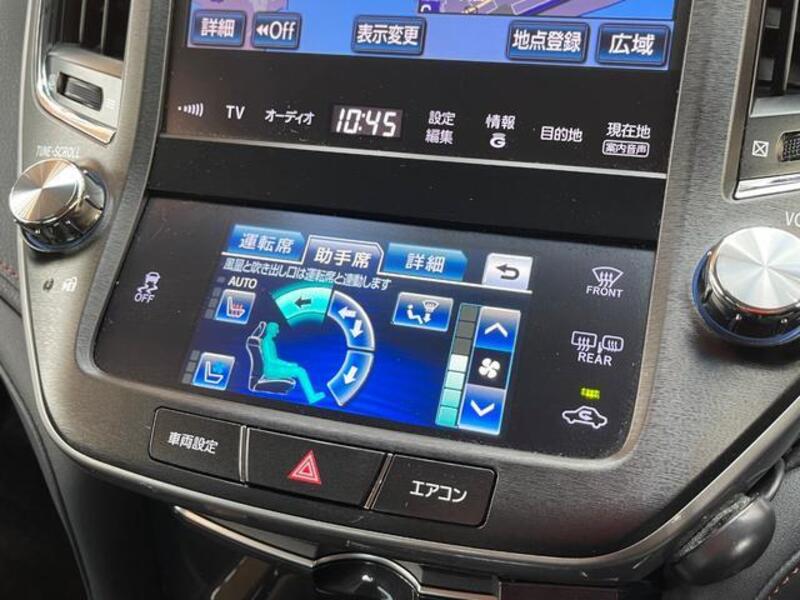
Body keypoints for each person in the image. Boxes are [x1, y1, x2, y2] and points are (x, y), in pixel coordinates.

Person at [260, 321, 325, 404]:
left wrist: (289, 365)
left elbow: (274, 359)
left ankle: (312, 396)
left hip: (274, 367)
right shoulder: (266, 342)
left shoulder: (270, 341)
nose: (278, 331)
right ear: (271, 330)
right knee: (300, 371)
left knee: (298, 369)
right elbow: (270, 360)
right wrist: (289, 364)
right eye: (276, 329)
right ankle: (311, 397)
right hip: (271, 370)